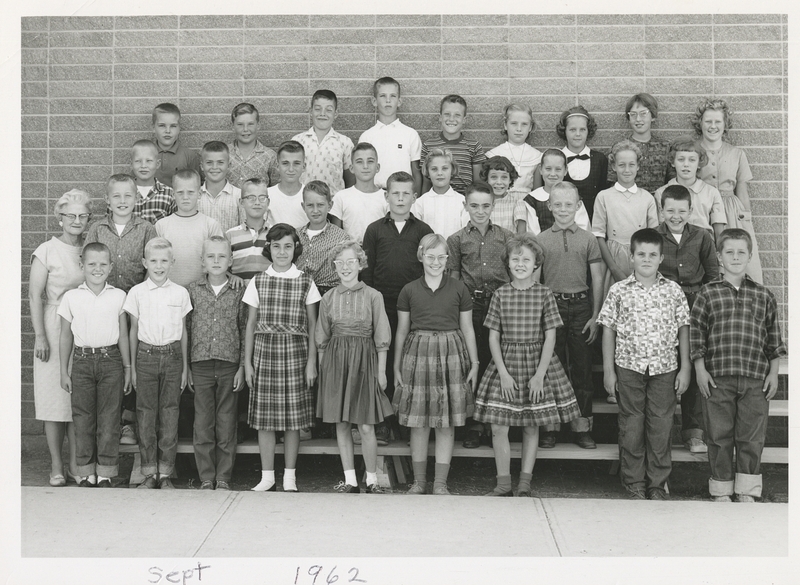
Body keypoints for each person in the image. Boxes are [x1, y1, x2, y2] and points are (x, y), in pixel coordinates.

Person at [474, 234, 581, 497]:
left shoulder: (544, 294)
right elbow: (493, 336)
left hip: (537, 362)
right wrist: (502, 372)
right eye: (515, 258)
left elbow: (551, 336)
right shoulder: (500, 294)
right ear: (507, 263)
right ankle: (503, 483)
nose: (520, 263)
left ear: (536, 264)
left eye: (526, 259)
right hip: (506, 363)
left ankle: (524, 483)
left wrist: (540, 375)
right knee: (499, 425)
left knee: (531, 424)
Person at [691, 228, 786, 503]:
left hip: (756, 377)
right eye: (729, 252)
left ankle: (746, 490)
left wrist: (774, 373)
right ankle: (721, 489)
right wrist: (700, 369)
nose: (735, 257)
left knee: (751, 436)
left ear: (750, 256)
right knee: (719, 436)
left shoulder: (764, 295)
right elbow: (696, 334)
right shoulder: (707, 294)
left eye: (741, 252)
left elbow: (773, 339)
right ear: (719, 257)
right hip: (717, 377)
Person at [598, 228, 691, 500]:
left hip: (664, 368)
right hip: (629, 367)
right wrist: (608, 371)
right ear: (631, 257)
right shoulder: (619, 291)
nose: (647, 259)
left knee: (661, 426)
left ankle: (657, 483)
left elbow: (684, 328)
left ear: (662, 258)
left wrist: (685, 367)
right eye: (641, 254)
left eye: (653, 255)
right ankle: (634, 482)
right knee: (632, 425)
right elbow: (608, 330)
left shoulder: (673, 291)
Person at [393, 234, 479, 495]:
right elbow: (401, 330)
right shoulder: (409, 290)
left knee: (446, 421)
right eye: (430, 257)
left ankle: (440, 482)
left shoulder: (459, 288)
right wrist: (396, 366)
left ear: (447, 259)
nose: (436, 262)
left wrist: (474, 362)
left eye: (441, 257)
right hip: (417, 354)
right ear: (421, 256)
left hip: (451, 353)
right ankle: (419, 482)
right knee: (419, 421)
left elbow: (467, 328)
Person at [243, 224, 321, 492]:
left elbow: (313, 326)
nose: (282, 252)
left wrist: (311, 362)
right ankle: (267, 476)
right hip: (265, 354)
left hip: (295, 354)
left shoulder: (305, 281)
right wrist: (247, 364)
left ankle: (289, 476)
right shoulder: (258, 280)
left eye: (288, 246)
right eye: (276, 246)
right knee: (265, 420)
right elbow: (250, 324)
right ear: (269, 249)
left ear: (295, 248)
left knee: (292, 420)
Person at [316, 240, 393, 494]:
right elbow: (322, 339)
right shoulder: (328, 298)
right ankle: (350, 480)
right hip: (337, 364)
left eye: (351, 261)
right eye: (340, 263)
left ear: (360, 264)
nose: (346, 267)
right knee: (341, 424)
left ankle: (371, 480)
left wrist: (381, 372)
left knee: (366, 424)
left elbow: (381, 336)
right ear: (334, 267)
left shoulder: (373, 296)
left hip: (365, 363)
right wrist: (324, 372)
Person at [361, 171, 433, 445]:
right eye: (396, 193)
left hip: (412, 309)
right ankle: (383, 423)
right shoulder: (375, 229)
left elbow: (428, 270)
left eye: (406, 193)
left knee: (408, 365)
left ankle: (407, 421)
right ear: (386, 196)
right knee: (382, 365)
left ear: (414, 197)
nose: (401, 198)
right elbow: (366, 271)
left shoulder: (423, 230)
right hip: (382, 306)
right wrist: (371, 306)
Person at [29, 190, 91, 486]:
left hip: (83, 326)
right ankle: (56, 465)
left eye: (82, 216)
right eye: (71, 216)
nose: (76, 221)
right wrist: (40, 336)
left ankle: (76, 463)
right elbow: (34, 294)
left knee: (77, 398)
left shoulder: (89, 249)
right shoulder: (47, 250)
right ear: (60, 218)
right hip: (53, 327)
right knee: (54, 400)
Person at [536, 183, 605, 450]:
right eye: (558, 204)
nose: (563, 209)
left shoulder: (588, 239)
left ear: (578, 206)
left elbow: (597, 277)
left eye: (569, 204)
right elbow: (536, 280)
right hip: (551, 306)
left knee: (582, 370)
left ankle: (581, 426)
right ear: (550, 206)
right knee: (551, 368)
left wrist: (595, 314)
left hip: (580, 308)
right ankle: (550, 426)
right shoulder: (541, 239)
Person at [446, 182, 514, 449]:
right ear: (465, 206)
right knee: (473, 362)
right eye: (474, 205)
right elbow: (453, 278)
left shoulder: (506, 237)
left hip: (500, 307)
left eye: (486, 205)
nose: (480, 210)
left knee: (497, 364)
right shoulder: (457, 239)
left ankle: (497, 420)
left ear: (493, 206)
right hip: (470, 307)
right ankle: (474, 424)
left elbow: (514, 274)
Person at [57, 242, 130, 487]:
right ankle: (86, 472)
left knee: (109, 418)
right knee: (83, 418)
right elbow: (66, 335)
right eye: (91, 264)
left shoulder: (119, 296)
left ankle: (106, 472)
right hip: (82, 361)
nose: (97, 269)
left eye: (102, 264)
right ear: (82, 266)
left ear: (110, 267)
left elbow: (122, 335)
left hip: (111, 362)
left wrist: (127, 368)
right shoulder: (72, 297)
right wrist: (63, 371)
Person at [124, 237, 192, 489]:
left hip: (173, 357)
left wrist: (185, 367)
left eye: (164, 261)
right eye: (153, 261)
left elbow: (184, 331)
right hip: (146, 357)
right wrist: (130, 367)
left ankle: (165, 474)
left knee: (170, 414)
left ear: (172, 263)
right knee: (145, 415)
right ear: (145, 262)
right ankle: (148, 473)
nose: (159, 266)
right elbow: (132, 331)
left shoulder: (180, 292)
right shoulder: (137, 292)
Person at [657, 184, 720, 455]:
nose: (676, 216)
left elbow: (713, 273)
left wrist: (705, 305)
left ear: (690, 211)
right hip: (661, 306)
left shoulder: (703, 236)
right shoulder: (653, 236)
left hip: (695, 304)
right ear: (661, 210)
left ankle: (693, 432)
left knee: (694, 363)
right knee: (665, 365)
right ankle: (662, 432)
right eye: (670, 210)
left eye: (681, 211)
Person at [186, 237, 247, 491]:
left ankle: (223, 477)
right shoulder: (191, 290)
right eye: (210, 256)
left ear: (231, 260)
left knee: (226, 422)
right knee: (203, 423)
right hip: (199, 363)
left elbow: (244, 328)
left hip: (228, 364)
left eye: (222, 256)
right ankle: (206, 477)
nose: (216, 261)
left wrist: (243, 366)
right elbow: (186, 329)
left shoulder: (239, 290)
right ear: (202, 261)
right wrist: (187, 367)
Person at [691, 97, 763, 282]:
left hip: (731, 211)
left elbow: (741, 188)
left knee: (737, 258)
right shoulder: (692, 151)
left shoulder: (736, 153)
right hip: (703, 210)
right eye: (708, 121)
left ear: (725, 124)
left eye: (717, 121)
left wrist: (745, 218)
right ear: (700, 123)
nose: (713, 126)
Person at [592, 139, 659, 297]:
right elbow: (598, 235)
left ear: (638, 166)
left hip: (641, 255)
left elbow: (654, 235)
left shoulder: (647, 198)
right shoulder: (604, 196)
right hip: (612, 256)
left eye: (631, 164)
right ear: (614, 166)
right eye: (622, 165)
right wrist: (613, 268)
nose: (627, 170)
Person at [86, 173, 158, 293]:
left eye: (128, 195)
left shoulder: (147, 229)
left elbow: (153, 265)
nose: (122, 201)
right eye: (116, 196)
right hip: (103, 297)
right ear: (107, 199)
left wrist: (142, 293)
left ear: (136, 198)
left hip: (137, 299)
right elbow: (88, 263)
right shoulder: (97, 229)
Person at [155, 169, 224, 287]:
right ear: (173, 194)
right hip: (169, 291)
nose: (185, 197)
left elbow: (219, 258)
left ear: (199, 194)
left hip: (202, 291)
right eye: (180, 192)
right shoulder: (162, 225)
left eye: (191, 192)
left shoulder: (210, 225)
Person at [359, 76, 422, 194]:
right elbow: (361, 171)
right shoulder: (367, 136)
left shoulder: (410, 134)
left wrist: (415, 200)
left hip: (403, 195)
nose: (388, 100)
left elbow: (416, 172)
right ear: (374, 101)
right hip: (374, 195)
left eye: (392, 96)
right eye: (383, 96)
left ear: (399, 101)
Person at [654, 140, 727, 240]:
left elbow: (719, 232)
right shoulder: (661, 193)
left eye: (692, 160)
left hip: (703, 246)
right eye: (681, 159)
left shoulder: (711, 193)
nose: (686, 164)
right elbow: (661, 227)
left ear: (699, 164)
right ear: (673, 163)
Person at [420, 94, 487, 195]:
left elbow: (478, 183)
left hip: (464, 201)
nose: (451, 119)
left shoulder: (474, 146)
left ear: (464, 119)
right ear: (440, 117)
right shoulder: (428, 146)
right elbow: (426, 182)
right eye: (447, 114)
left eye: (457, 115)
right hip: (436, 200)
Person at [292, 89, 355, 195]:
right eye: (317, 109)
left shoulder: (345, 143)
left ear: (335, 114)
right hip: (303, 204)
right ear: (310, 111)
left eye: (328, 110)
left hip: (334, 205)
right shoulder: (297, 141)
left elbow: (350, 180)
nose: (322, 114)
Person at [607, 93, 670, 195]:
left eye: (643, 113)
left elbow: (671, 182)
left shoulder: (665, 146)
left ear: (653, 116)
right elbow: (612, 183)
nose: (638, 119)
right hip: (628, 203)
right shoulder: (620, 147)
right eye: (633, 114)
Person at [296, 181, 350, 297]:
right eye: (310, 205)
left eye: (320, 205)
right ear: (303, 206)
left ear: (329, 205)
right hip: (299, 292)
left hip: (329, 294)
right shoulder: (295, 235)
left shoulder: (341, 237)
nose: (315, 210)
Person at [557, 105, 608, 221]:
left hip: (594, 220)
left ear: (588, 131)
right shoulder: (556, 158)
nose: (578, 134)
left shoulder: (600, 159)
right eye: (572, 129)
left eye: (582, 129)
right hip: (563, 220)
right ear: (564, 131)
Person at [329, 142, 388, 244]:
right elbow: (335, 234)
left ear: (377, 167)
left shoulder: (386, 198)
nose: (365, 166)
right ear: (351, 168)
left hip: (379, 252)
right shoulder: (341, 197)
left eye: (370, 161)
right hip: (350, 254)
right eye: (359, 162)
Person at [521, 149, 590, 235]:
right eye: (548, 169)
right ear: (540, 170)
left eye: (558, 169)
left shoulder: (574, 196)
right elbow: (533, 233)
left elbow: (583, 229)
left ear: (565, 171)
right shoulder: (532, 199)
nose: (553, 174)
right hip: (542, 246)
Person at [411, 147, 468, 238]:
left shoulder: (462, 202)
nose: (439, 173)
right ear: (427, 172)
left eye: (445, 168)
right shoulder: (420, 203)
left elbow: (466, 234)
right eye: (434, 169)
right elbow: (415, 234)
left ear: (452, 170)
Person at [486, 103, 541, 195]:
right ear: (505, 125)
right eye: (514, 123)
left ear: (530, 127)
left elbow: (537, 191)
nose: (519, 129)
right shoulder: (494, 154)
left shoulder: (536, 156)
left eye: (524, 124)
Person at [226, 178, 272, 282]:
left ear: (268, 202)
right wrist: (231, 276)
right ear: (242, 202)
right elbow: (223, 267)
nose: (257, 202)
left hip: (267, 293)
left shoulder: (276, 234)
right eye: (251, 198)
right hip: (239, 294)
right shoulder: (230, 235)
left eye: (262, 198)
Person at [226, 102, 279, 188]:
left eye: (250, 124)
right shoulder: (223, 154)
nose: (245, 129)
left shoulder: (270, 156)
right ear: (233, 126)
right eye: (240, 124)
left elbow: (276, 188)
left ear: (258, 125)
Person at [151, 102, 200, 188]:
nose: (168, 131)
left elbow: (197, 186)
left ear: (179, 128)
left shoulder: (189, 156)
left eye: (173, 126)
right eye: (162, 125)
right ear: (153, 128)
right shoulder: (145, 154)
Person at [197, 141, 243, 233]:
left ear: (229, 165)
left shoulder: (239, 196)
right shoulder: (195, 197)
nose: (214, 167)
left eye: (220, 162)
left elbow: (244, 229)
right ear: (202, 166)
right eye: (209, 162)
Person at [129, 139, 176, 224]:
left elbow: (174, 226)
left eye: (149, 161)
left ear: (157, 164)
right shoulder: (123, 192)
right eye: (138, 161)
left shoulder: (169, 194)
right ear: (131, 164)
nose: (143, 166)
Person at [267, 141, 309, 229]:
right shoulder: (266, 195)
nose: (291, 169)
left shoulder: (310, 196)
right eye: (285, 163)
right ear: (277, 167)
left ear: (304, 166)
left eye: (296, 163)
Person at [479, 155, 527, 233]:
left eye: (504, 177)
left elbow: (521, 235)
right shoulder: (480, 203)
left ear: (510, 180)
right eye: (494, 177)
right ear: (487, 179)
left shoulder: (517, 203)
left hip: (510, 244)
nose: (499, 182)